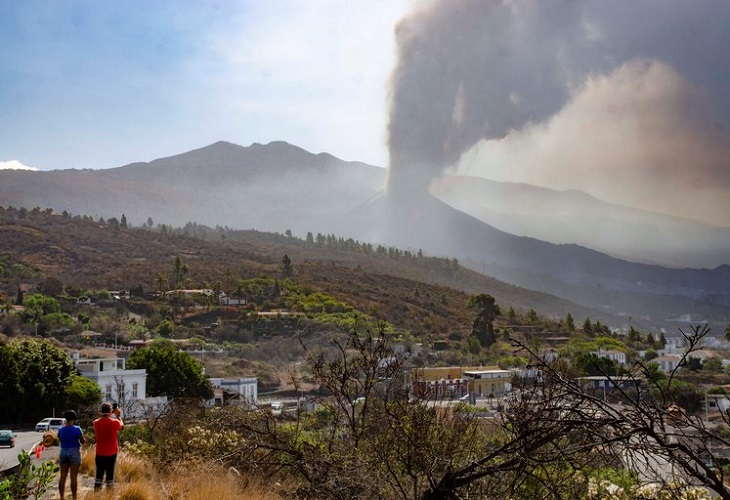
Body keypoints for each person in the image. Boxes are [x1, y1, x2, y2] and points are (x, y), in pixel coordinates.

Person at [93, 402, 124, 491]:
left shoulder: (96, 422)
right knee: (110, 476)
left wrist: (111, 413)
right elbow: (122, 427)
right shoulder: (115, 422)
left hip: (100, 452)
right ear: (110, 411)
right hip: (111, 452)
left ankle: (96, 495)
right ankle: (109, 495)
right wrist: (118, 416)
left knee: (99, 475)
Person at [57, 410, 85, 500]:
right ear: (73, 419)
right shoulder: (77, 429)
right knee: (73, 477)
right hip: (74, 451)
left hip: (63, 451)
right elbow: (82, 441)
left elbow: (60, 439)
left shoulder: (61, 429)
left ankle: (61, 497)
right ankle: (74, 497)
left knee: (62, 476)